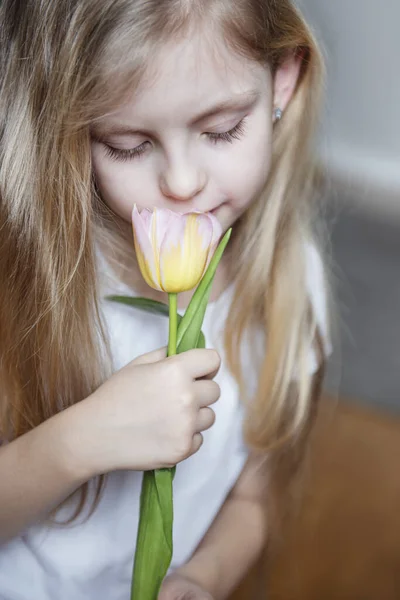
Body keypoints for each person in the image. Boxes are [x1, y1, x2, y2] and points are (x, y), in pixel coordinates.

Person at [0, 0, 330, 598]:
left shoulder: (289, 282)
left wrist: (206, 577)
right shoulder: (28, 284)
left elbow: (255, 498)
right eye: (127, 144)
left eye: (221, 129)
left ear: (282, 80)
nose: (181, 183)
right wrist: (78, 442)